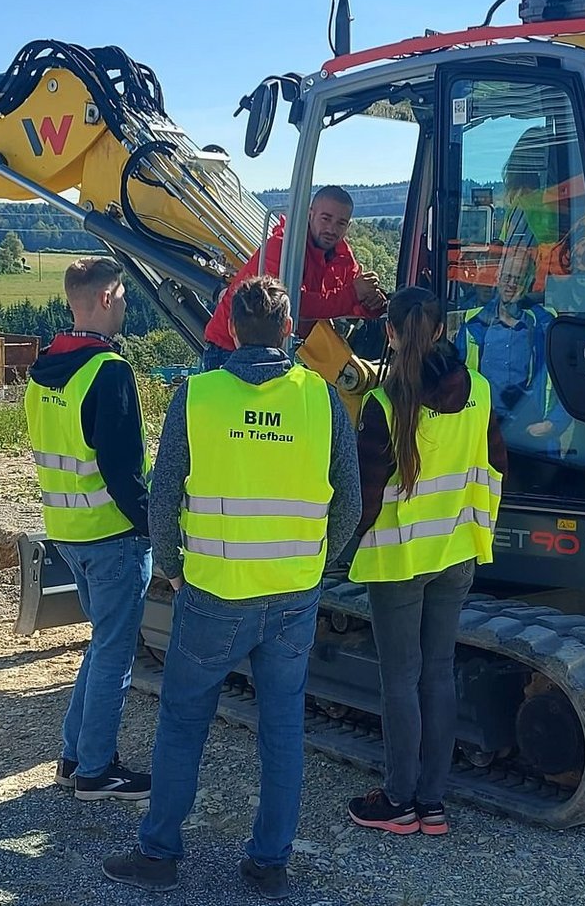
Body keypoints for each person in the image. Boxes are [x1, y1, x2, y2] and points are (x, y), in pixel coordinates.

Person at [103, 276, 361, 900]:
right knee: (282, 729)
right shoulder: (321, 399)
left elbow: (165, 496)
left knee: (184, 720)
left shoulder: (196, 396)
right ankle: (269, 865)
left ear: (231, 327)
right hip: (293, 595)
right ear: (289, 326)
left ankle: (160, 852)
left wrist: (171, 564)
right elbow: (350, 502)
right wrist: (321, 565)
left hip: (214, 592)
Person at [344, 287, 506, 836]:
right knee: (438, 673)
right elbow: (496, 469)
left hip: (397, 563)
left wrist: (332, 552)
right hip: (457, 551)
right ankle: (432, 802)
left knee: (400, 680)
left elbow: (365, 499)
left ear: (389, 332)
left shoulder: (384, 405)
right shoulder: (479, 393)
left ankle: (398, 799)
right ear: (441, 331)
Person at [24, 256, 154, 802]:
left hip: (68, 532)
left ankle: (75, 755)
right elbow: (123, 472)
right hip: (113, 534)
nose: (124, 305)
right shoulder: (109, 372)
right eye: (122, 295)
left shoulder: (43, 369)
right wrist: (159, 532)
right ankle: (98, 770)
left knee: (101, 645)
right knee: (114, 655)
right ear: (105, 298)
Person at [200, 185, 387, 370]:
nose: (331, 229)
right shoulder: (282, 247)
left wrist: (372, 304)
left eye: (340, 223)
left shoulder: (342, 257)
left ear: (348, 226)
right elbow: (292, 305)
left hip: (274, 351)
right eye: (326, 218)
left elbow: (350, 303)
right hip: (229, 349)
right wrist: (355, 293)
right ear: (310, 214)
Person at [458, 252, 572, 458]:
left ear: (529, 283)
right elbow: (455, 380)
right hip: (486, 434)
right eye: (507, 277)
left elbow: (568, 380)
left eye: (518, 279)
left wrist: (554, 423)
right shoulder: (473, 324)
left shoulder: (547, 326)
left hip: (534, 438)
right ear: (498, 277)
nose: (511, 284)